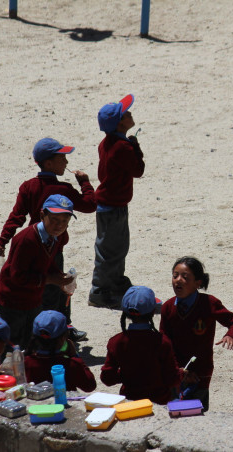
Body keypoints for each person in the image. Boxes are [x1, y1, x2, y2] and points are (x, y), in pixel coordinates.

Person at [0, 137, 96, 342]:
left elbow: (17, 215)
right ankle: (57, 330)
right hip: (49, 250)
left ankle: (57, 328)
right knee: (54, 292)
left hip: (44, 244)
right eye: (62, 158)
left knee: (53, 289)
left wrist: (3, 240)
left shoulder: (28, 187)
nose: (66, 162)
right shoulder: (64, 191)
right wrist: (84, 183)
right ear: (49, 163)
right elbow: (90, 204)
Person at [160, 257, 233, 411]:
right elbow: (164, 343)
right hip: (175, 371)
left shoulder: (209, 304)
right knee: (174, 412)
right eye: (175, 275)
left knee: (196, 412)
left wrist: (231, 335)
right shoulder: (168, 307)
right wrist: (177, 370)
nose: (178, 280)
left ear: (198, 283)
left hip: (200, 373)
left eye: (185, 277)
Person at [0, 194, 76, 350]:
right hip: (14, 301)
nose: (59, 225)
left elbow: (48, 262)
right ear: (42, 215)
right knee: (13, 348)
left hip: (34, 298)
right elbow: (17, 276)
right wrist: (51, 280)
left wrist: (61, 277)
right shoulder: (26, 239)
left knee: (32, 343)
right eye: (54, 219)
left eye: (64, 221)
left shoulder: (55, 236)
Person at [89, 94, 145, 308]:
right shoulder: (123, 147)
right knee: (109, 251)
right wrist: (136, 147)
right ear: (120, 123)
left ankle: (115, 282)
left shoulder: (107, 142)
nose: (130, 113)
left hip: (110, 204)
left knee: (116, 248)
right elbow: (138, 170)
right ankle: (99, 292)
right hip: (113, 207)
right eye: (126, 113)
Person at [101, 286, 181, 404]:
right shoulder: (162, 342)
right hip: (159, 402)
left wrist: (127, 374)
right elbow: (172, 379)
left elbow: (107, 378)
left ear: (125, 313)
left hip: (130, 402)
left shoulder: (116, 342)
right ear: (153, 312)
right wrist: (181, 373)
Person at [24, 310, 96, 392]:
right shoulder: (70, 364)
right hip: (62, 404)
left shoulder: (25, 362)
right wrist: (75, 356)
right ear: (63, 338)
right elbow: (90, 386)